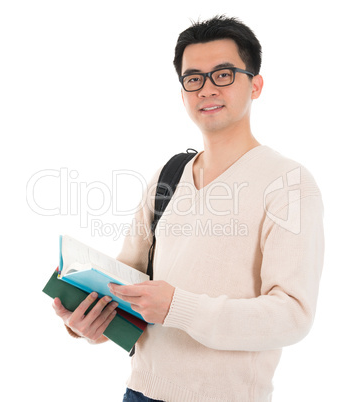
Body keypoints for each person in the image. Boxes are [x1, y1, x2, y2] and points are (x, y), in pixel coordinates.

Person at [53, 15, 325, 402]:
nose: (206, 89)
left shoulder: (289, 183)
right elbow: (126, 281)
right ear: (182, 91)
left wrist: (179, 307)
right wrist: (90, 320)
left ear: (256, 84)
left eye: (224, 74)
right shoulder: (168, 175)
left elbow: (293, 316)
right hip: (140, 391)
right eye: (193, 78)